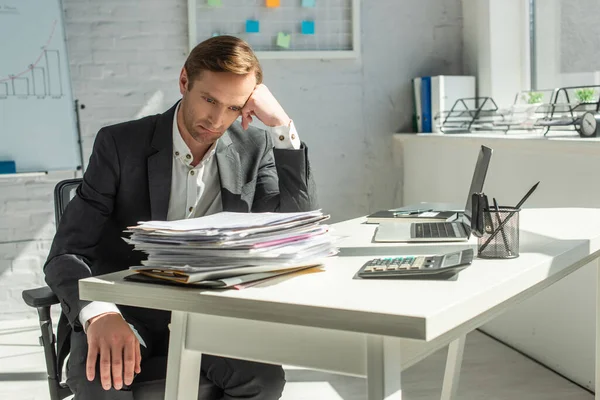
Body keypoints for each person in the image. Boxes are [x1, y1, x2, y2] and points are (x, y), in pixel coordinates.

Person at [43, 35, 318, 399]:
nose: (218, 120)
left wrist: (283, 127)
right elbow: (66, 252)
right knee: (101, 382)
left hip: (209, 311)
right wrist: (98, 312)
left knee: (264, 381)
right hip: (126, 308)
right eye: (209, 99)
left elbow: (292, 230)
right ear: (184, 81)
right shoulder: (120, 144)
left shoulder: (255, 145)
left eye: (234, 107)